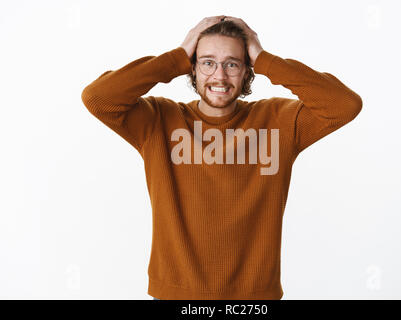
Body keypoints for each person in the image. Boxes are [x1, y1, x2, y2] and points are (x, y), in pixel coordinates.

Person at [81, 15, 362, 300]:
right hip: (176, 297)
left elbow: (344, 105)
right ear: (192, 68)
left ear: (247, 71)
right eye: (207, 62)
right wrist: (176, 57)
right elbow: (98, 97)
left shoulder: (278, 122)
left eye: (232, 64)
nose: (219, 76)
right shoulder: (158, 121)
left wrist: (264, 59)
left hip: (253, 300)